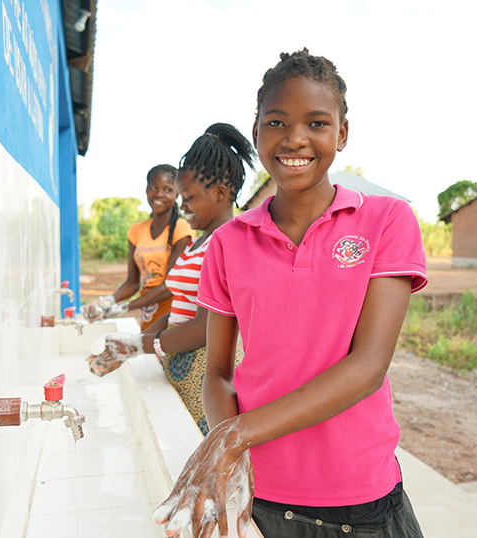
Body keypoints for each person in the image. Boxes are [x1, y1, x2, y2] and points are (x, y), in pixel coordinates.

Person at [153, 49, 428, 538]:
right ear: (256, 129)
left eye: (317, 123)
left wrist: (234, 436)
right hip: (265, 497)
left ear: (342, 134)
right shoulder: (229, 244)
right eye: (277, 121)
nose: (295, 138)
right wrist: (226, 447)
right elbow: (217, 372)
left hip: (360, 499)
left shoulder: (386, 221)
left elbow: (367, 366)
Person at [86, 123, 256, 436]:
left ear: (220, 193)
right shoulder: (197, 243)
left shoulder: (231, 242)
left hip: (209, 380)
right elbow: (180, 310)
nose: (182, 206)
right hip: (182, 368)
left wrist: (139, 345)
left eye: (188, 197)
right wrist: (135, 343)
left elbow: (207, 328)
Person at [82, 164, 194, 331]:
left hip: (173, 309)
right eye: (154, 187)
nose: (159, 194)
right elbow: (132, 283)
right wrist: (109, 301)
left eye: (167, 189)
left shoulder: (182, 229)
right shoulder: (136, 231)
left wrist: (123, 308)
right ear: (146, 190)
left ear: (177, 193)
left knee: (164, 352)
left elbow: (170, 284)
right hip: (147, 308)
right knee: (148, 353)